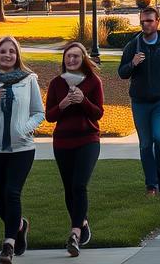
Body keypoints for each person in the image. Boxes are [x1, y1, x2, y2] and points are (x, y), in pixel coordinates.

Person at [0, 36, 44, 264]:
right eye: (3, 51)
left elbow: (38, 112)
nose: (7, 55)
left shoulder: (29, 79)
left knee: (12, 193)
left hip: (22, 148)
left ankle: (8, 245)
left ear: (17, 55)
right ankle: (20, 226)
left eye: (11, 52)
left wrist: (26, 128)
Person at [117, 0, 160, 197]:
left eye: (149, 21)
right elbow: (122, 73)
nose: (146, 24)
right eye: (143, 21)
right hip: (139, 103)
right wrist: (133, 63)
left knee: (159, 139)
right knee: (145, 144)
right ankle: (151, 185)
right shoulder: (132, 46)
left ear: (158, 22)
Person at [45, 42, 103, 257]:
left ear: (83, 59)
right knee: (69, 189)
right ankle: (83, 222)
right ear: (64, 59)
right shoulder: (56, 84)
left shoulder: (93, 82)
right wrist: (63, 104)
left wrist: (83, 101)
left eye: (76, 57)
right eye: (68, 56)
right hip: (62, 142)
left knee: (79, 185)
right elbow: (49, 116)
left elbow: (98, 114)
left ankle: (75, 234)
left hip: (88, 140)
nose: (71, 60)